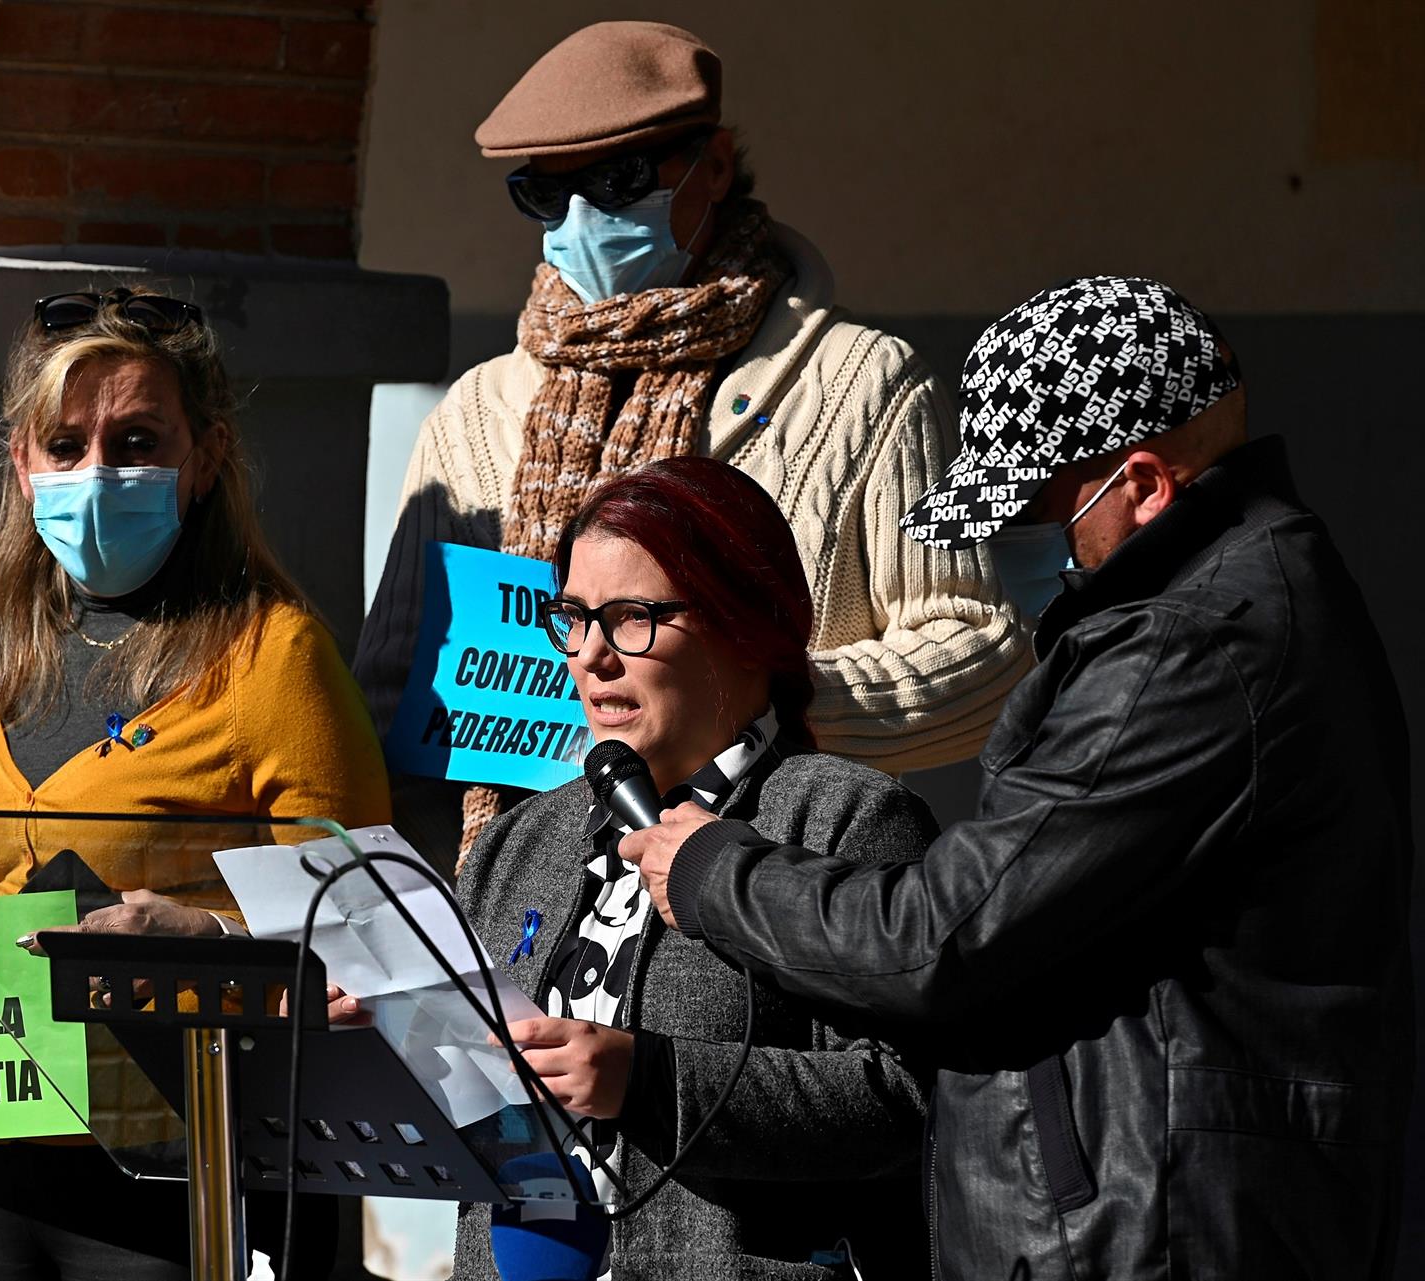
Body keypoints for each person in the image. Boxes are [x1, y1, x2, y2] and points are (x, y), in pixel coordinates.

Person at [623, 277, 1415, 1279]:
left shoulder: (1189, 647)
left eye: (1035, 512)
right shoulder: (1252, 595)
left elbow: (943, 937)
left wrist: (709, 869)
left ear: (1143, 483)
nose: (1016, 552)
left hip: (1147, 1232)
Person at [0, 287, 391, 1280]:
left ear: (205, 459)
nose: (97, 473)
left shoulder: (274, 657)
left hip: (171, 1162)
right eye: (65, 447)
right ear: (23, 463)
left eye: (139, 441)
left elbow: (372, 934)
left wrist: (207, 940)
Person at [353, 19, 1030, 867]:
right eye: (543, 194)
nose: (578, 219)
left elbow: (978, 646)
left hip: (769, 876)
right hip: (520, 890)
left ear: (712, 167)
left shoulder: (863, 383)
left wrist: (749, 707)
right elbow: (392, 691)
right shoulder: (480, 406)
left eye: (616, 179)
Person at [426, 456, 935, 1278]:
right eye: (575, 618)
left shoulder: (844, 819)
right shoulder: (516, 842)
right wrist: (388, 1037)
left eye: (632, 617)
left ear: (746, 627)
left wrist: (649, 1079)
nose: (590, 654)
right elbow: (475, 1105)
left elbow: (910, 1099)